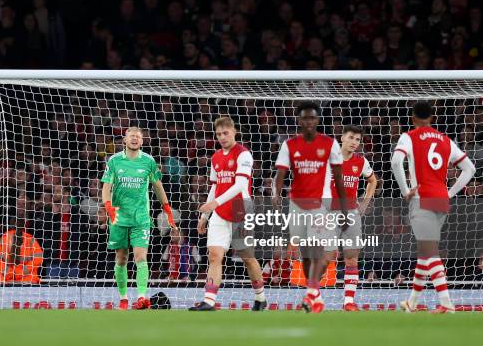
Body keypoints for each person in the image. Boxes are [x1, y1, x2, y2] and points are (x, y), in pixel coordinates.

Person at [391, 102, 475, 313]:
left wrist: (405, 190)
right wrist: (449, 193)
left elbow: (395, 162)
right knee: (424, 252)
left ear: (412, 118)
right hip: (440, 200)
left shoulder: (408, 136)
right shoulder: (446, 140)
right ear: (433, 117)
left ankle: (446, 303)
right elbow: (469, 168)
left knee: (429, 251)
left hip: (422, 198)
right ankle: (412, 302)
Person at [274, 102, 348, 313]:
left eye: (312, 118)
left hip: (321, 203)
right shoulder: (289, 145)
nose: (309, 122)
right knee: (305, 254)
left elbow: (339, 178)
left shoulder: (330, 143)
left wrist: (343, 207)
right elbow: (280, 175)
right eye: (305, 118)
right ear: (299, 120)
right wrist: (275, 194)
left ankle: (309, 295)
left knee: (318, 250)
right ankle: (316, 296)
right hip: (296, 204)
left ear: (317, 120)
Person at [189, 116, 267, 311]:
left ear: (234, 132)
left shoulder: (244, 155)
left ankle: (261, 297)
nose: (222, 137)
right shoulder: (215, 157)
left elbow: (240, 185)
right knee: (215, 255)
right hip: (220, 213)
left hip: (241, 211)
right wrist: (205, 216)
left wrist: (214, 204)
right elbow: (215, 187)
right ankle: (209, 301)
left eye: (226, 133)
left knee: (248, 258)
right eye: (219, 134)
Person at [101, 126, 179, 310]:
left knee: (140, 257)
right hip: (119, 218)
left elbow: (158, 186)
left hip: (141, 219)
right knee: (121, 258)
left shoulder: (149, 161)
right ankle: (123, 298)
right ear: (125, 140)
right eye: (131, 136)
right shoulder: (114, 161)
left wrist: (167, 208)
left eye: (138, 136)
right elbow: (106, 187)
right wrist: (108, 207)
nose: (135, 139)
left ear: (142, 141)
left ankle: (142, 297)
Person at [325, 125, 377, 311]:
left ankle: (348, 302)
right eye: (351, 138)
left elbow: (373, 180)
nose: (354, 142)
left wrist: (364, 203)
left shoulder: (361, 161)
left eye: (358, 140)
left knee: (352, 259)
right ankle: (312, 296)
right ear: (342, 138)